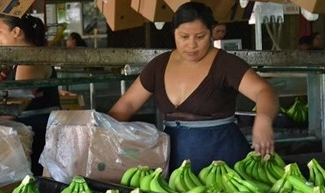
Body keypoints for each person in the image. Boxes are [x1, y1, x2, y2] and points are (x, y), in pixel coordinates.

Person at [108, 2, 278, 175]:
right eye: (183, 36)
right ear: (174, 32)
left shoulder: (225, 64)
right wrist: (103, 133)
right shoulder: (159, 65)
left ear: (211, 32)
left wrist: (263, 120)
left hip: (225, 162)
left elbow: (264, 91)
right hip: (174, 162)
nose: (191, 45)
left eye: (200, 36)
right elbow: (128, 104)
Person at [0, 14, 60, 176]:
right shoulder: (24, 59)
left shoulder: (29, 61)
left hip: (39, 132)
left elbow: (16, 104)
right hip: (35, 129)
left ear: (16, 32)